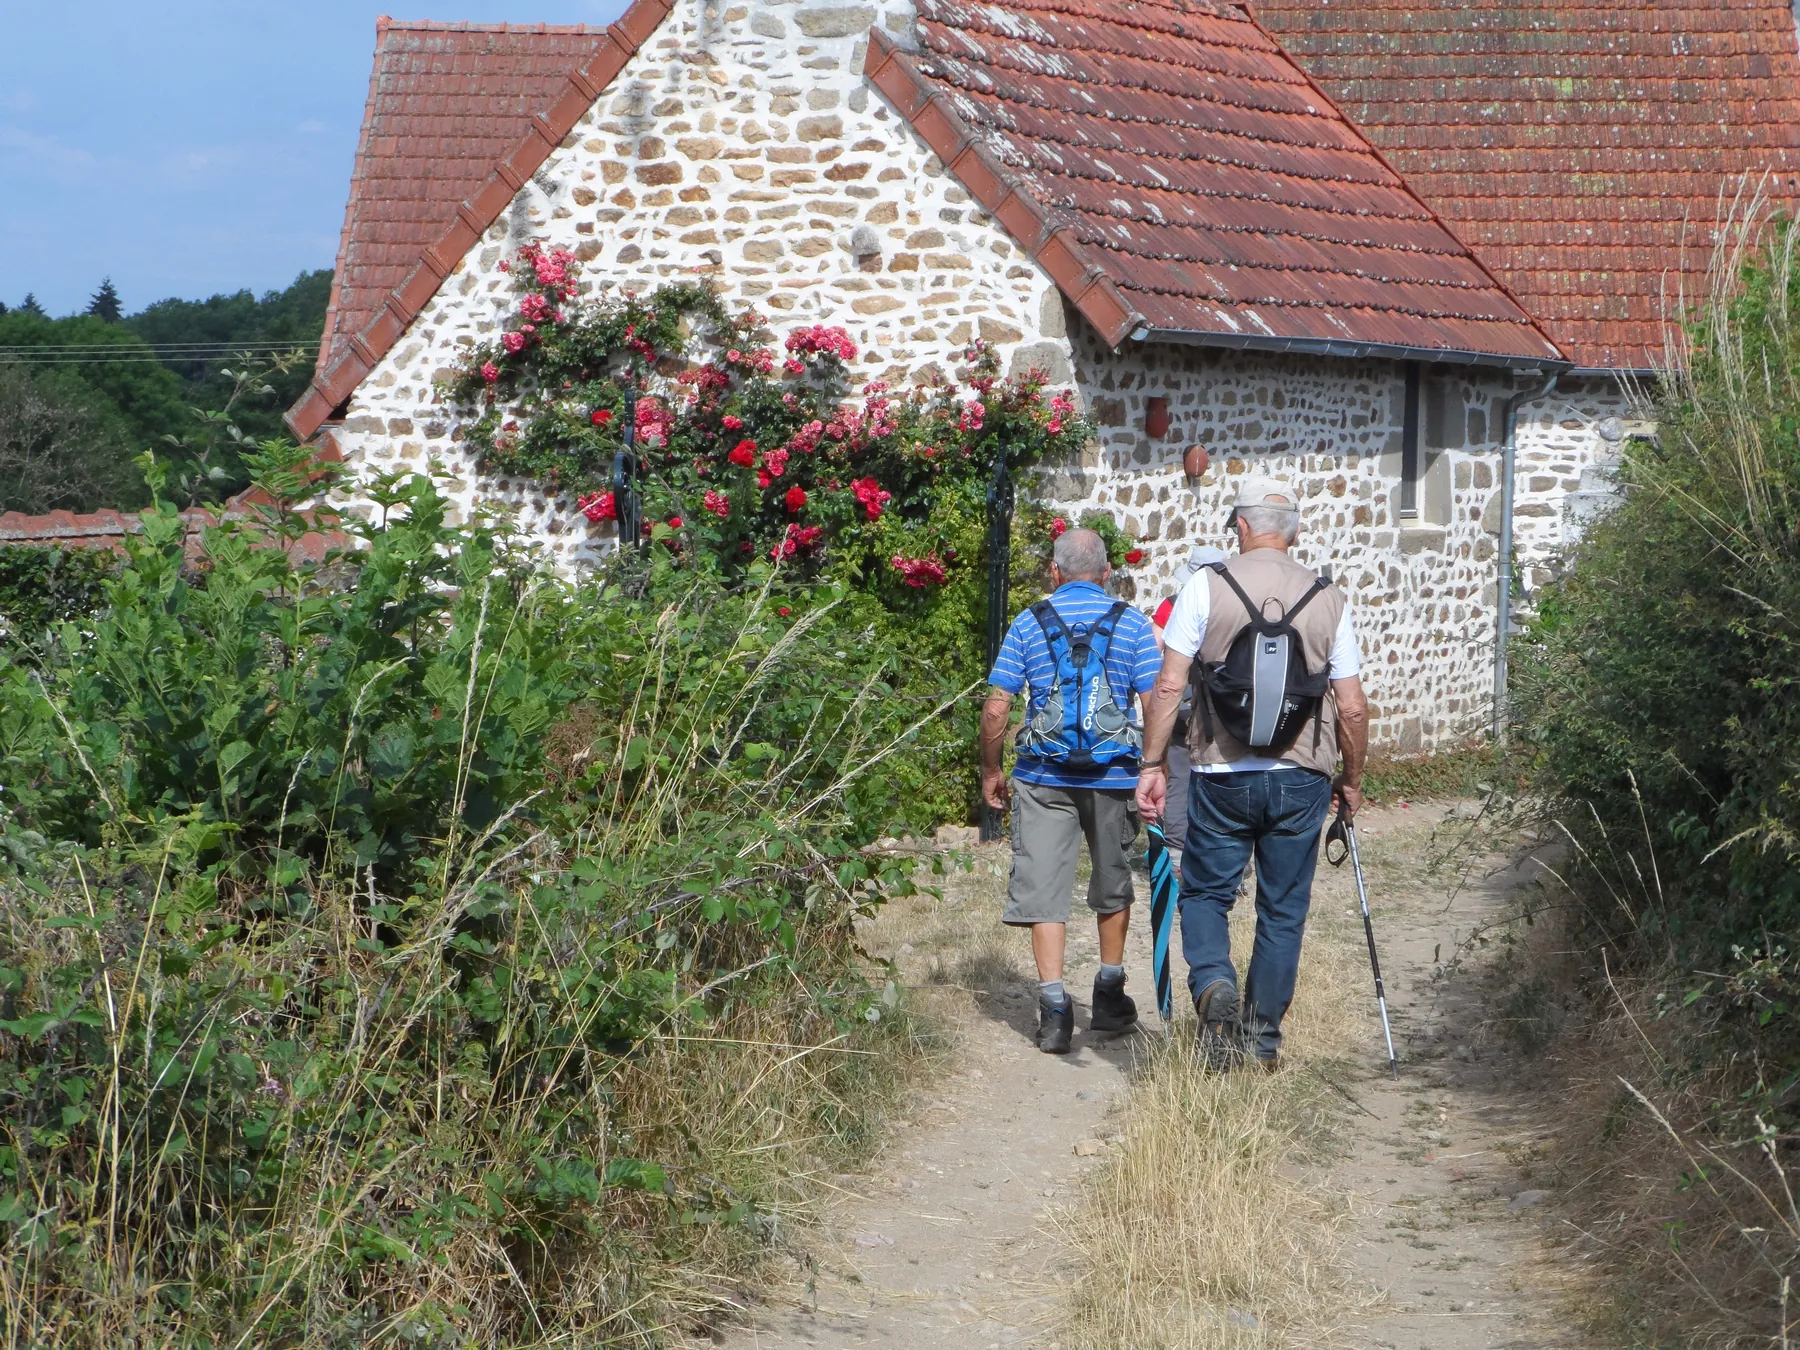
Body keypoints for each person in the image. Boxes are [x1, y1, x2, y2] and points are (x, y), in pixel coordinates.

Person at [1136, 478, 1369, 1071]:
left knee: (1207, 892)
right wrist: (1352, 780)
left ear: (1239, 527)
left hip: (1220, 771)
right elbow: (1353, 707)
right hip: (1302, 776)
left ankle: (1214, 985)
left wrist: (1153, 763)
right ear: (1295, 533)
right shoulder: (1327, 598)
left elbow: (1168, 685)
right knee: (1283, 909)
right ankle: (1261, 1042)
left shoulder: (1206, 587)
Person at [981, 527, 1162, 1053]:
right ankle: (1108, 993)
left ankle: (1055, 1010)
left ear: (1054, 573)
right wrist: (1155, 768)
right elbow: (1156, 703)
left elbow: (997, 706)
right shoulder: (1132, 626)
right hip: (1114, 776)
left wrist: (991, 771)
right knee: (1112, 883)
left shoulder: (1027, 623)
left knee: (1044, 892)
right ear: (1107, 574)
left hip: (1042, 776)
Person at [1149, 544, 1227, 878]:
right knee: (1225, 776)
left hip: (1182, 704)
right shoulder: (1233, 605)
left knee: (1180, 773)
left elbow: (1154, 650)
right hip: (1222, 707)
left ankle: (1178, 856)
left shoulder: (1172, 605)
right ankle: (1227, 857)